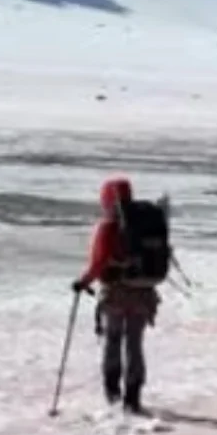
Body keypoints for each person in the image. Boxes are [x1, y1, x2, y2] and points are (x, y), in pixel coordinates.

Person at [72, 177, 160, 415]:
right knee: (134, 343)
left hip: (116, 293)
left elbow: (98, 263)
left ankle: (112, 393)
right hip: (144, 293)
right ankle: (133, 398)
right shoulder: (149, 220)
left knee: (113, 340)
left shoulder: (108, 226)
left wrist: (83, 283)